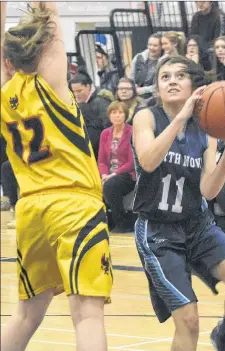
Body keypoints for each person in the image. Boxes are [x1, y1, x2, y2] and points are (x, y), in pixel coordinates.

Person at [0, 3, 113, 351]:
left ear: (8, 62)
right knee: (87, 314)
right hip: (74, 204)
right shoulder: (52, 84)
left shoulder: (5, 94)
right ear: (46, 51)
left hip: (30, 209)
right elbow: (52, 17)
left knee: (26, 314)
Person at [132, 55, 225, 351]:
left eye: (179, 75)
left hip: (197, 226)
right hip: (158, 232)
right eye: (165, 77)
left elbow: (209, 190)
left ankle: (224, 335)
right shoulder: (146, 117)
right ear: (157, 87)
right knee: (188, 321)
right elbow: (148, 161)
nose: (172, 80)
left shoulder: (206, 128)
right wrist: (179, 118)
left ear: (193, 86)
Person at [98, 101, 136, 232]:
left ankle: (122, 223)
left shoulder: (132, 132)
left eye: (120, 112)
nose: (117, 115)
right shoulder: (105, 133)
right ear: (109, 115)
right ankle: (102, 223)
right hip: (108, 174)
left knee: (111, 185)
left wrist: (113, 175)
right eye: (114, 112)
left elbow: (131, 163)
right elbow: (101, 161)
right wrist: (104, 175)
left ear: (125, 115)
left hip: (127, 174)